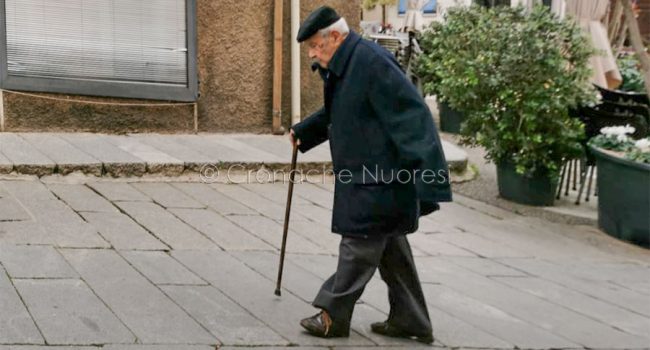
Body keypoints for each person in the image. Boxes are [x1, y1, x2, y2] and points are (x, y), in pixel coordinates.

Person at [288, 6, 452, 344]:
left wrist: (428, 177)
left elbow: (414, 116)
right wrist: (305, 131)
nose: (313, 55)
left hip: (383, 177)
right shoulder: (346, 65)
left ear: (336, 36)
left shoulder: (372, 62)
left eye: (316, 46)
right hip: (367, 175)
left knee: (359, 243)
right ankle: (412, 319)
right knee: (391, 250)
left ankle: (332, 315)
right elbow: (340, 110)